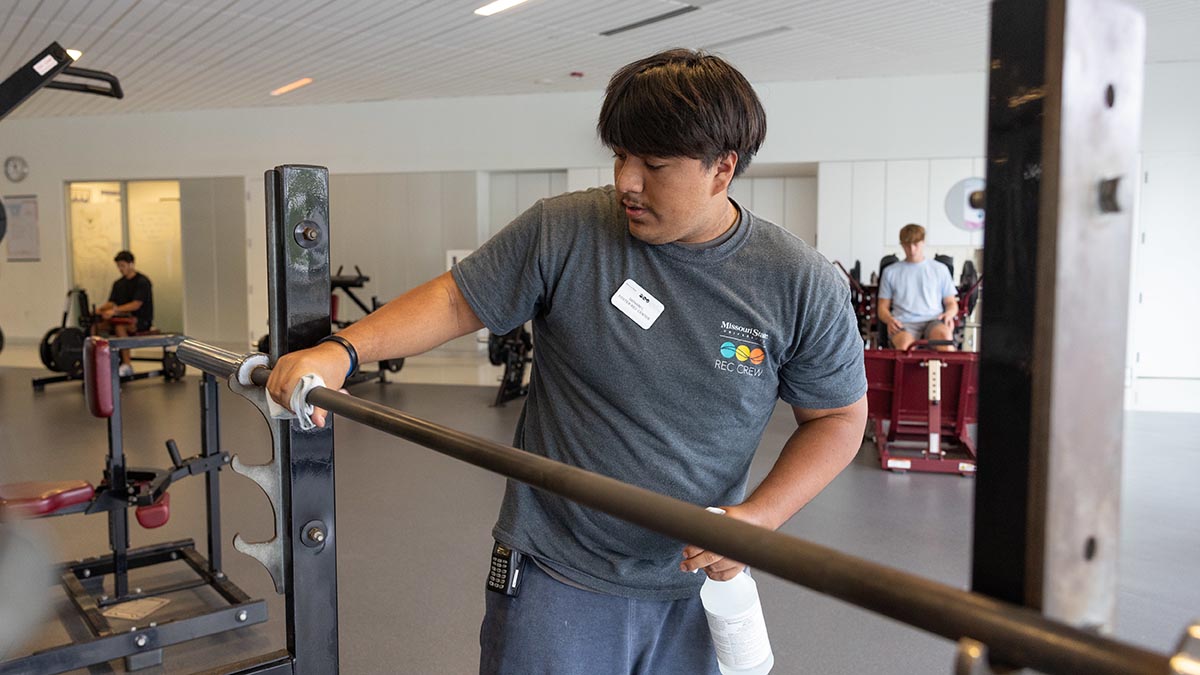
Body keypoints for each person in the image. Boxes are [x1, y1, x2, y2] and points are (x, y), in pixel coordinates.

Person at [267, 49, 867, 675]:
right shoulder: (568, 229)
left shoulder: (798, 282)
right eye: (620, 157)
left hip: (694, 581)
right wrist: (342, 349)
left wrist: (758, 518)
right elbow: (456, 299)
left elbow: (837, 419)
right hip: (556, 570)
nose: (626, 181)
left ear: (722, 169)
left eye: (653, 165)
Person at [876, 224, 959, 351]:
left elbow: (951, 302)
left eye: (916, 244)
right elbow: (882, 307)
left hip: (934, 320)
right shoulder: (890, 272)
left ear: (923, 242)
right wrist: (889, 320)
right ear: (902, 245)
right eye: (907, 245)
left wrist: (949, 314)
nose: (912, 249)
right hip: (903, 322)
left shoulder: (940, 269)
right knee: (904, 347)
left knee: (945, 340)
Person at [94, 250, 153, 377]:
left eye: (122, 266)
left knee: (120, 327)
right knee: (96, 326)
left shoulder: (142, 282)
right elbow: (112, 302)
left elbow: (136, 304)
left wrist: (114, 310)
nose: (120, 269)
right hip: (121, 318)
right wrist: (99, 310)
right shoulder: (118, 284)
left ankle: (127, 365)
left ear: (131, 264)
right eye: (118, 266)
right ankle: (96, 361)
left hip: (141, 320)